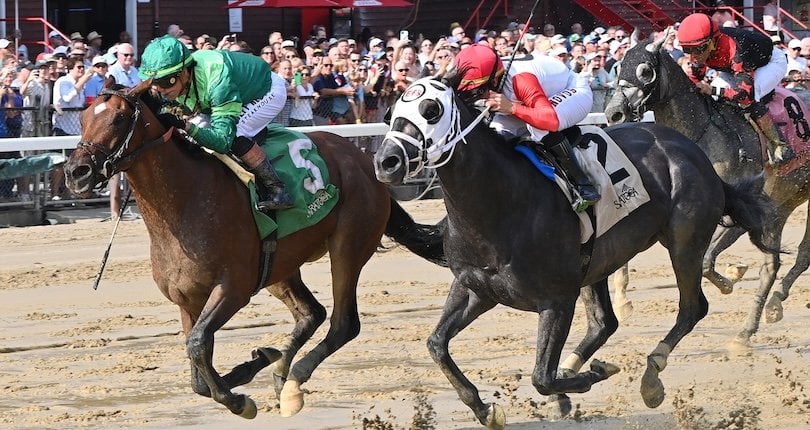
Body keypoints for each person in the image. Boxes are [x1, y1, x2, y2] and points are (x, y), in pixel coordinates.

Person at [138, 35, 293, 211]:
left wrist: (184, 125)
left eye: (165, 82)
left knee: (235, 134)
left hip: (267, 90)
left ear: (183, 73)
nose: (160, 90)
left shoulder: (217, 81)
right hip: (238, 90)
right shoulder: (180, 79)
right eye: (154, 83)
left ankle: (278, 190)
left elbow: (222, 141)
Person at [452, 44, 599, 208]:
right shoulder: (490, 77)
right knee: (496, 133)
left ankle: (582, 184)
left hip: (573, 91)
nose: (473, 97)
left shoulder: (521, 80)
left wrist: (512, 108)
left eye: (477, 92)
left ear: (494, 81)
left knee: (539, 127)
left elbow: (550, 120)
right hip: (527, 100)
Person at [677, 12, 791, 164]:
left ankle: (780, 145)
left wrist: (712, 90)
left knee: (751, 98)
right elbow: (695, 78)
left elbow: (745, 94)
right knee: (716, 98)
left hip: (769, 63)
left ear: (712, 42)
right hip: (733, 69)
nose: (693, 56)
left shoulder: (736, 50)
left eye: (698, 50)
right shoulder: (701, 49)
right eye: (687, 50)